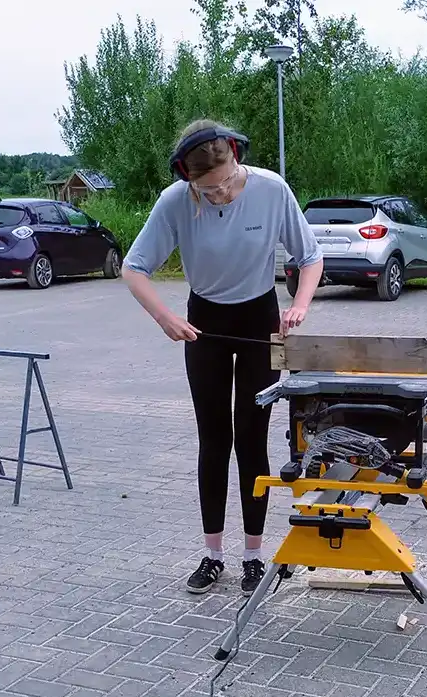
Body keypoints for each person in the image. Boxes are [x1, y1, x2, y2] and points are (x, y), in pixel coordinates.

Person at [121, 118, 324, 596]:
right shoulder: (175, 202)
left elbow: (310, 257)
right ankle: (212, 554)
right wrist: (165, 318)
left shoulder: (271, 189)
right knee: (214, 440)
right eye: (208, 191)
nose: (221, 195)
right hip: (205, 325)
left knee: (252, 439)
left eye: (227, 182)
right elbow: (134, 268)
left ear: (237, 158)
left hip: (258, 321)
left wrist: (299, 304)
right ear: (188, 179)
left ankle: (254, 555)